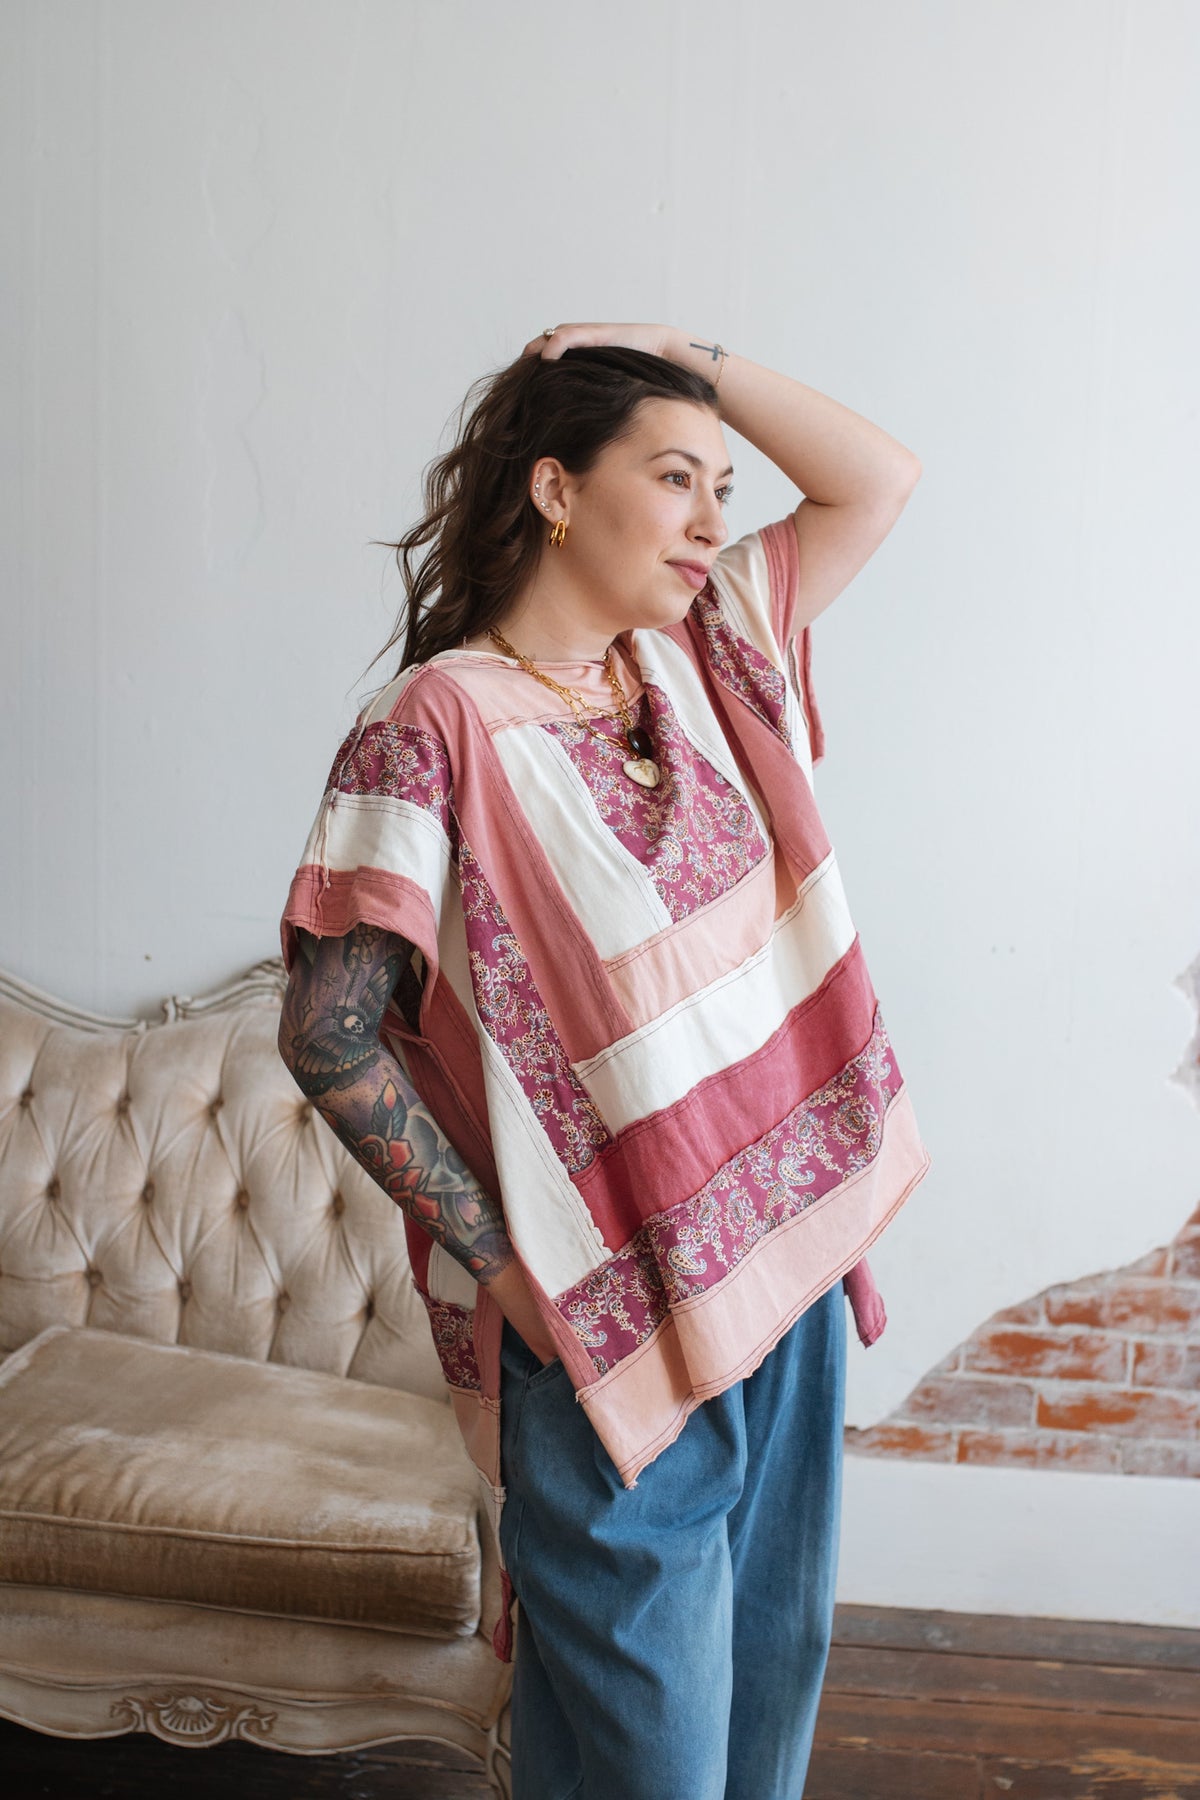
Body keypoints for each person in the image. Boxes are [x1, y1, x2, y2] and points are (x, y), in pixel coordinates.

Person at [277, 322, 932, 1800]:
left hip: (787, 1283)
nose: (711, 521)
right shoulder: (435, 721)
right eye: (675, 476)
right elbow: (325, 1030)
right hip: (605, 1326)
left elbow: (878, 479)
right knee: (658, 1761)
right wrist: (514, 1276)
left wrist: (679, 350)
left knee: (756, 1735)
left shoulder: (709, 652)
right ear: (558, 489)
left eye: (723, 487)